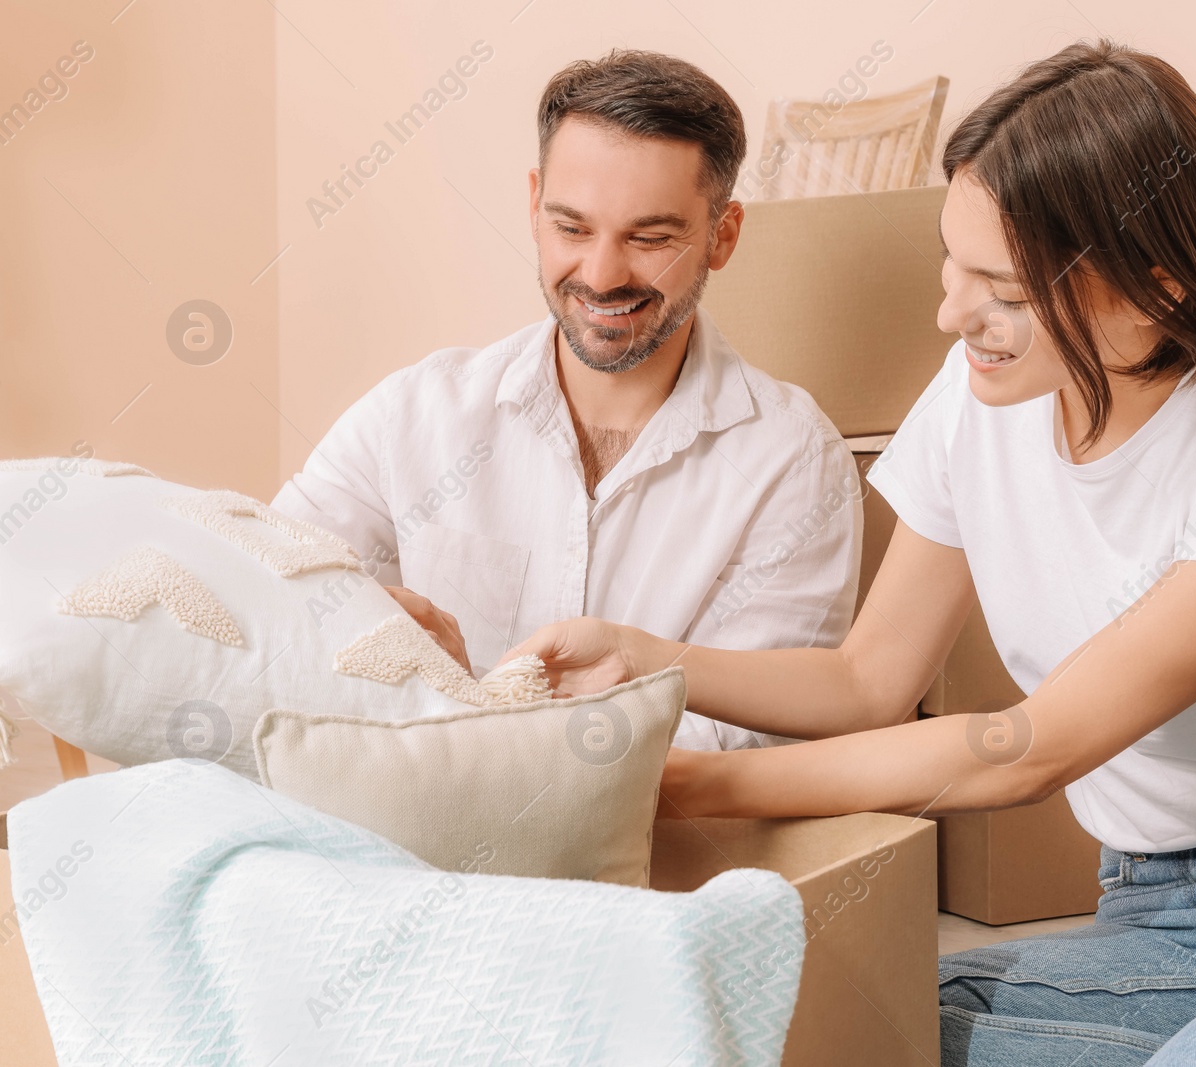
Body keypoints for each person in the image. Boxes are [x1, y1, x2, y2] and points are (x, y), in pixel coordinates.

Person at [503, 40, 1196, 1067]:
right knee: (834, 1008)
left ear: (1155, 282)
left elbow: (1026, 748)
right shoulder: (975, 399)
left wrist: (678, 784)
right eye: (952, 265)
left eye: (1001, 287)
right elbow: (869, 679)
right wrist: (644, 657)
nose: (953, 315)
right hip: (1152, 927)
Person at [273, 50, 862, 751]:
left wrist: (475, 724)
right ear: (533, 205)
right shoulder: (414, 415)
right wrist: (371, 650)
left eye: (650, 237)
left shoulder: (792, 462)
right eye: (572, 228)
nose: (602, 274)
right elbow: (268, 598)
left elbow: (741, 742)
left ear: (721, 236)